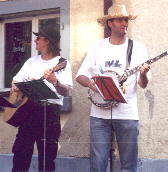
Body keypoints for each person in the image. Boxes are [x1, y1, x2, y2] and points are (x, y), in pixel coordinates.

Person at [76, 4, 151, 172]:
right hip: (99, 116)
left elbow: (143, 83)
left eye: (126, 20)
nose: (125, 23)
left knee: (128, 165)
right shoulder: (98, 47)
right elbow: (80, 76)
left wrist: (144, 73)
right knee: (98, 164)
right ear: (110, 23)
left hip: (127, 114)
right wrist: (94, 86)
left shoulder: (137, 48)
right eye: (120, 20)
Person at [10, 25, 73, 172]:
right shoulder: (31, 61)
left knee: (47, 157)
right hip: (28, 110)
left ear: (48, 41)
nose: (35, 40)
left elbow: (67, 91)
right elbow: (15, 80)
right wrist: (16, 87)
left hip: (49, 112)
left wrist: (55, 81)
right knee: (20, 153)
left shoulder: (62, 63)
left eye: (38, 38)